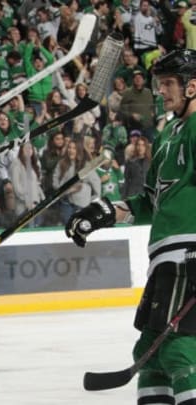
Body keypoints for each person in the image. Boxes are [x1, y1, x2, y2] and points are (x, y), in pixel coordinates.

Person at [64, 48, 196, 405]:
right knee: (150, 356)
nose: (161, 91)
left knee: (181, 349)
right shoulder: (169, 135)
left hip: (190, 255)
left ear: (192, 87)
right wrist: (104, 212)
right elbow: (149, 203)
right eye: (160, 84)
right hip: (167, 260)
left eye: (169, 83)